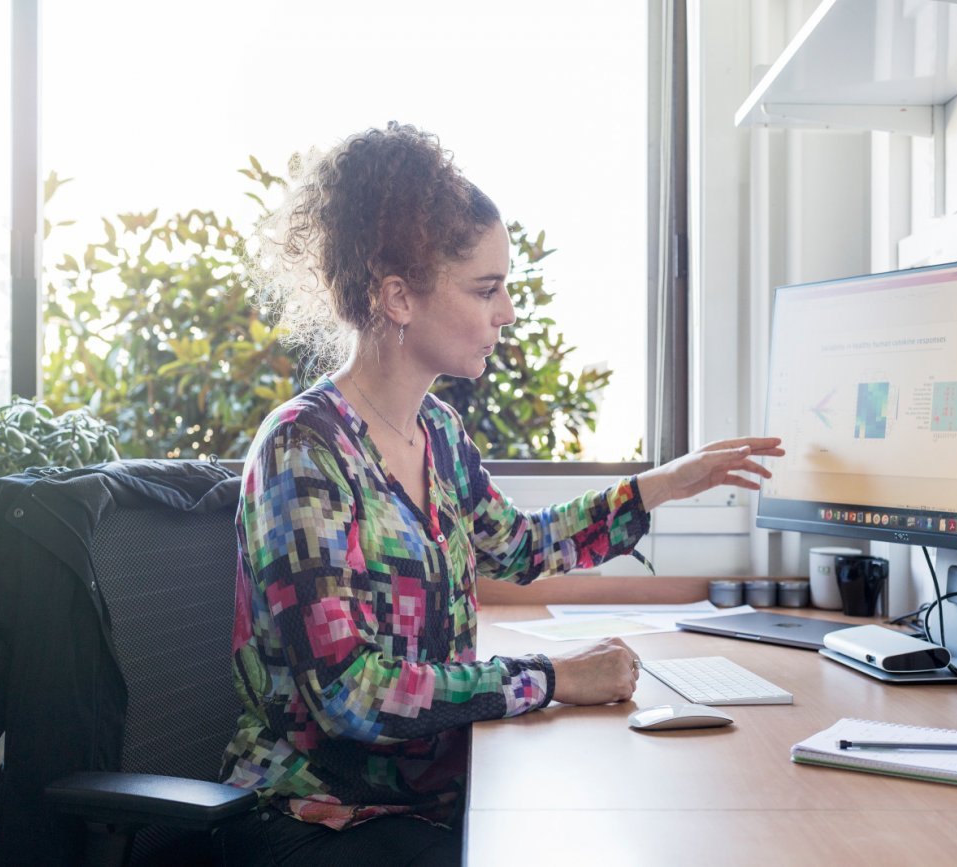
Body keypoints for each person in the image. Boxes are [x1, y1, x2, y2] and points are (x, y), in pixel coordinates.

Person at [217, 122, 783, 866]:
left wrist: (661, 485)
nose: (507, 311)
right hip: (320, 816)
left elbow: (521, 546)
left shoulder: (439, 435)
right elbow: (351, 693)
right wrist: (549, 679)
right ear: (398, 297)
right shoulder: (305, 449)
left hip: (422, 804)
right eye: (487, 289)